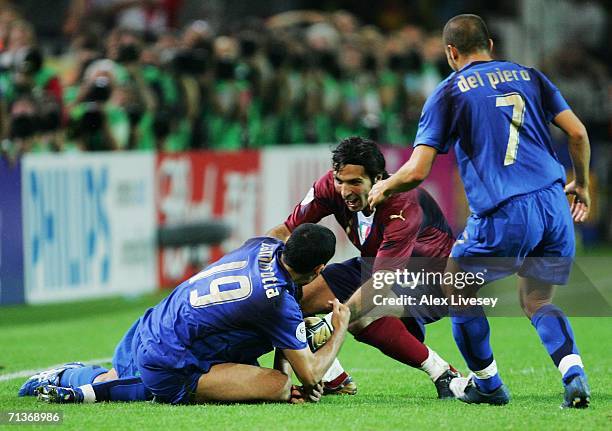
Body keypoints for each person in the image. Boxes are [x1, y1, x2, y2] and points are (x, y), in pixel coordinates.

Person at [367, 14, 591, 408]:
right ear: (490, 44)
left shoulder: (449, 91)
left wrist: (385, 184)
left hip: (506, 210)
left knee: (456, 287)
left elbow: (418, 170)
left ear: (451, 52)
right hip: (555, 203)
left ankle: (487, 385)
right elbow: (577, 133)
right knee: (538, 300)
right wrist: (583, 186)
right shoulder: (531, 76)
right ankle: (573, 373)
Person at [20, 224, 350, 405]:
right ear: (319, 269)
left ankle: (77, 378)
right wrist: (339, 329)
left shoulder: (261, 245)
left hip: (158, 320)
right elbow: (309, 376)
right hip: (170, 358)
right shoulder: (277, 302)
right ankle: (75, 382)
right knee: (277, 386)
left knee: (269, 367)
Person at [266, 136, 459, 399]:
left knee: (360, 315)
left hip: (431, 282)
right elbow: (285, 231)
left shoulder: (402, 204)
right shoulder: (329, 187)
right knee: (292, 298)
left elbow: (380, 285)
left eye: (355, 183)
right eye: (340, 181)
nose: (345, 191)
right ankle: (334, 378)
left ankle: (442, 372)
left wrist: (335, 323)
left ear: (378, 179)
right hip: (376, 265)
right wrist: (257, 264)